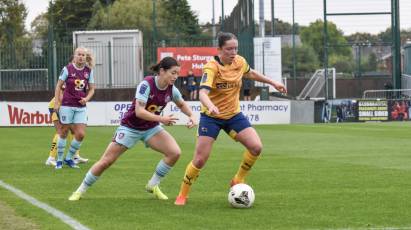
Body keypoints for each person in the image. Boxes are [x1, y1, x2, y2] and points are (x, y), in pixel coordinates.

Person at [174, 32, 287, 206]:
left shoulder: (239, 62)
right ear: (219, 49)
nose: (233, 52)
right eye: (229, 49)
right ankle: (182, 194)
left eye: (235, 48)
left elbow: (251, 73)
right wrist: (210, 105)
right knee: (200, 159)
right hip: (211, 117)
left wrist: (273, 83)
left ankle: (238, 179)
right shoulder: (211, 67)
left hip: (233, 115)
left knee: (256, 147)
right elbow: (202, 93)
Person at [68, 56, 197, 201]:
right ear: (162, 71)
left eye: (177, 73)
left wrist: (192, 115)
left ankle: (153, 185)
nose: (175, 76)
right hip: (130, 127)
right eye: (173, 73)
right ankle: (80, 190)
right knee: (106, 161)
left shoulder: (172, 89)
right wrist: (162, 119)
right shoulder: (146, 84)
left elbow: (181, 104)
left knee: (174, 153)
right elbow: (139, 112)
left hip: (151, 128)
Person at [54, 47, 95, 169]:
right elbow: (58, 86)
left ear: (86, 57)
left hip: (81, 107)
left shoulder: (89, 71)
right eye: (79, 54)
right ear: (74, 56)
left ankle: (69, 158)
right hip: (67, 105)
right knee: (64, 132)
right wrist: (57, 102)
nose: (81, 57)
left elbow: (92, 89)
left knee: (81, 134)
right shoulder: (67, 69)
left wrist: (86, 99)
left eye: (83, 55)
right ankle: (59, 161)